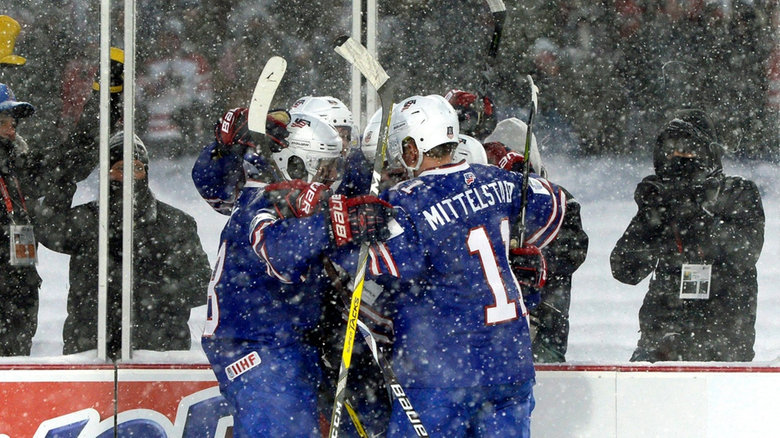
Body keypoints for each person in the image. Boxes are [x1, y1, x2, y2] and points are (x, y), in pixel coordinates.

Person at [259, 95, 566, 437]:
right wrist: (516, 248)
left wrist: (329, 225)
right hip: (510, 364)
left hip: (442, 372)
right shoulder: (497, 180)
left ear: (412, 149)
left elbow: (369, 262)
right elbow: (555, 205)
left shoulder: (408, 201)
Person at [200, 111, 349, 437]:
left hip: (286, 344)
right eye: (324, 167)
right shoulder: (263, 200)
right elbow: (283, 255)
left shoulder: (287, 197)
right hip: (257, 347)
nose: (332, 177)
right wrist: (223, 148)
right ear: (298, 162)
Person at [37, 131, 211, 358]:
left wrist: (157, 290)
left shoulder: (177, 224)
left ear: (146, 173)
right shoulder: (87, 220)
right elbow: (48, 228)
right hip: (91, 350)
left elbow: (203, 284)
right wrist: (66, 178)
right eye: (120, 168)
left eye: (137, 168)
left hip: (158, 352)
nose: (129, 175)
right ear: (106, 174)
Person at [610, 109, 765, 362]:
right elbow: (625, 269)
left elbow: (746, 253)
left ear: (708, 152)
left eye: (688, 148)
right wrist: (651, 217)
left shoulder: (737, 191)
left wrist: (696, 213)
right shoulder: (663, 197)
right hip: (662, 338)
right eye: (671, 150)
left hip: (722, 337)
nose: (679, 157)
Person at [483, 118, 589, 363]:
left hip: (543, 324)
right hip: (488, 325)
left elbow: (573, 251)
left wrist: (533, 256)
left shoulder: (557, 199)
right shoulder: (482, 200)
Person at [0, 82, 40, 356]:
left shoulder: (17, 167)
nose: (11, 128)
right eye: (3, 121)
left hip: (18, 306)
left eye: (12, 121)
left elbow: (71, 159)